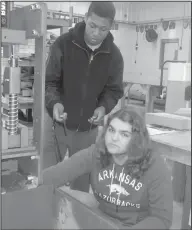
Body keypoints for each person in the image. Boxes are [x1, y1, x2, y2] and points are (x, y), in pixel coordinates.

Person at [42, 107, 173, 229]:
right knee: (63, 195)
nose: (114, 138)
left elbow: (162, 219)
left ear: (136, 139)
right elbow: (59, 173)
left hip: (136, 224)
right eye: (111, 130)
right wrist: (33, 182)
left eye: (124, 134)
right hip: (104, 217)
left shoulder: (154, 164)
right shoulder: (97, 152)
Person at [44, 1, 124, 192]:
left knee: (80, 186)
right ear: (86, 18)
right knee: (48, 179)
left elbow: (113, 90)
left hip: (87, 131)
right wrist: (54, 103)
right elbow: (50, 82)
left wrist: (103, 107)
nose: (96, 33)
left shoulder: (114, 56)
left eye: (103, 29)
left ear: (110, 26)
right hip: (57, 127)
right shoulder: (63, 44)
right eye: (93, 26)